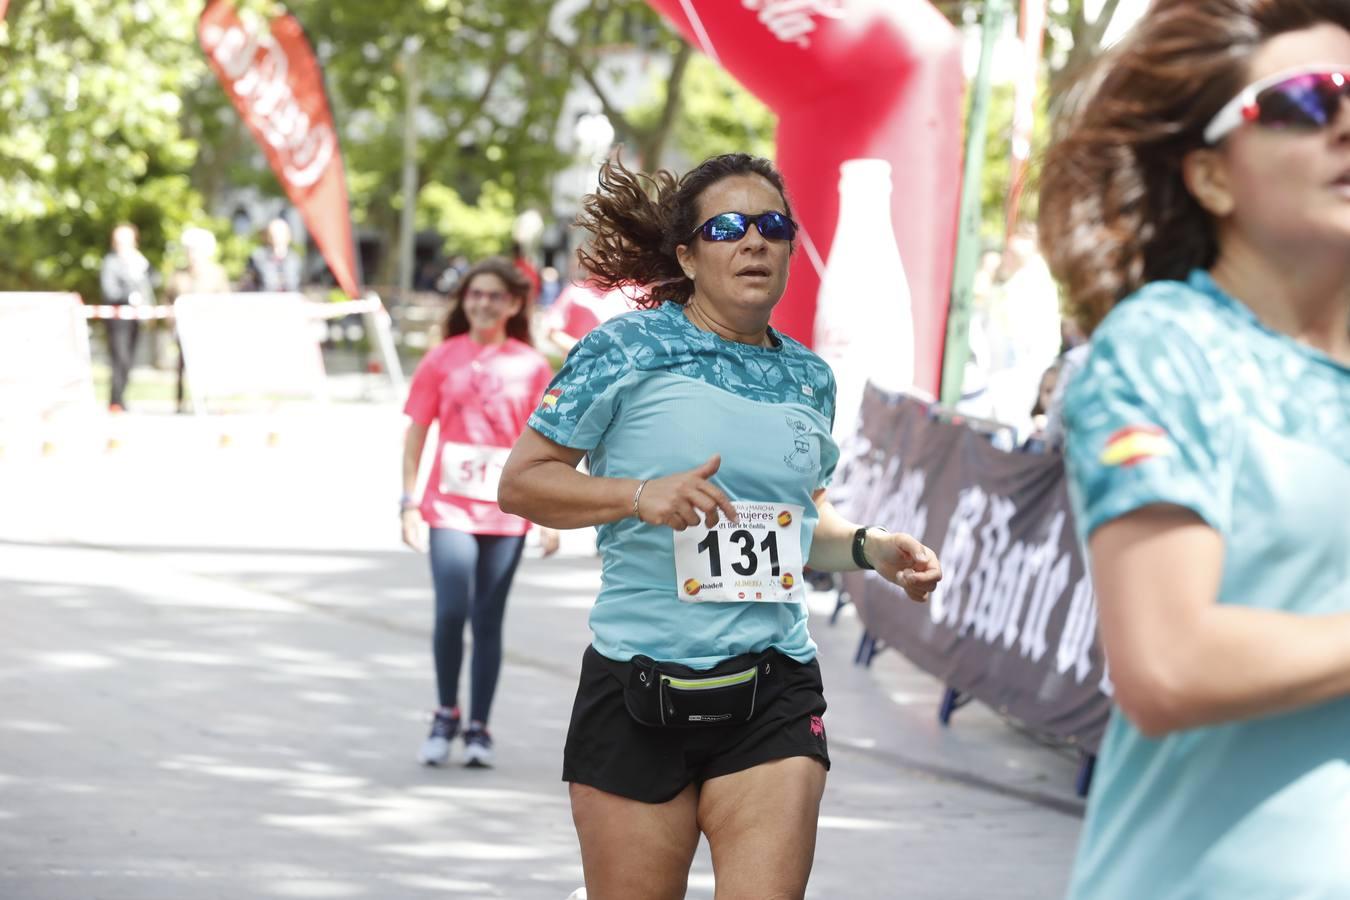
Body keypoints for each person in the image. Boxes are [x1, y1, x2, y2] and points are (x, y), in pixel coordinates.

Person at [497, 153, 942, 899]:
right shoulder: (625, 350)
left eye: (773, 226)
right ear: (687, 255)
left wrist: (870, 547)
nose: (754, 242)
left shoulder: (809, 378)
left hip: (772, 688)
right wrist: (639, 496)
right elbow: (522, 484)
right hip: (640, 684)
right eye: (727, 227)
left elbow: (802, 524)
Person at [1038, 2, 1350, 897]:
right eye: (1304, 102)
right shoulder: (1166, 347)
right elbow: (1169, 664)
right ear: (1212, 178)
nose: (1346, 122)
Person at [400, 257, 559, 768]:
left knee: (488, 619)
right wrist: (407, 501)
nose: (483, 303)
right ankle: (445, 711)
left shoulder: (533, 366)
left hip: (506, 511)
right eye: (475, 294)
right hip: (448, 508)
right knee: (451, 610)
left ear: (514, 304)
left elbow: (550, 445)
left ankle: (478, 728)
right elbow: (417, 432)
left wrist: (549, 514)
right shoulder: (441, 358)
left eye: (494, 296)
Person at [166, 227, 230, 413]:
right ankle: (179, 402)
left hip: (207, 328)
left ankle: (205, 401)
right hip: (184, 329)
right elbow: (168, 298)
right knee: (182, 365)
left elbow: (224, 299)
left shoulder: (216, 273)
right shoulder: (178, 275)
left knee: (207, 366)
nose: (192, 254)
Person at [99, 223, 156, 412]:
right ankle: (115, 400)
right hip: (118, 319)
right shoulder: (111, 262)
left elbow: (151, 283)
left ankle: (120, 398)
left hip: (135, 318)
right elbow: (109, 290)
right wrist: (129, 297)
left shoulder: (140, 261)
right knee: (120, 358)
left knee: (129, 359)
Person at [242, 218, 302, 293]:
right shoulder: (258, 257)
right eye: (275, 233)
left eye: (281, 232)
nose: (278, 236)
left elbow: (296, 285)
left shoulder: (294, 259)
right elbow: (248, 283)